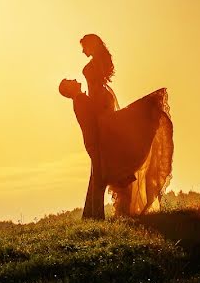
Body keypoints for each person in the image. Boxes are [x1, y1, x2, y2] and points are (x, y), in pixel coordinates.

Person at [62, 34, 175, 218]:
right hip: (102, 113)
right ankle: (94, 215)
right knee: (106, 169)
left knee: (103, 171)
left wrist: (98, 111)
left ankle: (93, 215)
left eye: (84, 47)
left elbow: (95, 96)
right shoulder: (100, 64)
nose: (83, 51)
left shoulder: (91, 70)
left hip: (102, 114)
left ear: (92, 45)